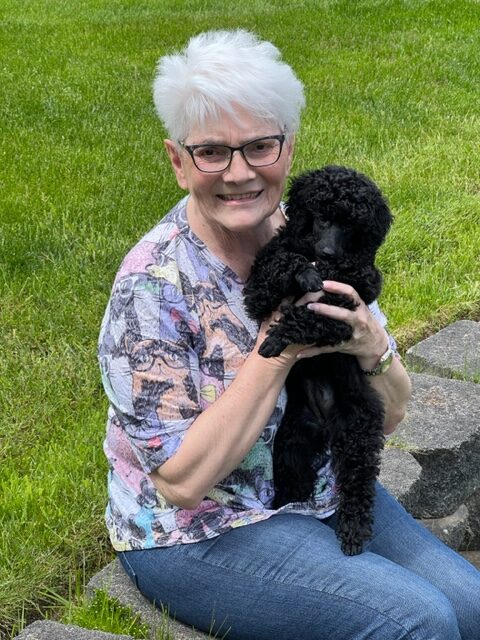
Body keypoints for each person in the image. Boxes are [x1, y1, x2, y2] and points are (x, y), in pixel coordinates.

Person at [98, 30, 480, 640]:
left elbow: (386, 417)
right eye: (212, 153)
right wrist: (279, 349)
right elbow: (180, 482)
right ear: (177, 161)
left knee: (472, 606)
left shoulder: (316, 232)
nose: (240, 173)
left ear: (289, 148)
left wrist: (370, 349)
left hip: (323, 490)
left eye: (259, 147)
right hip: (204, 529)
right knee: (417, 622)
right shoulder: (154, 286)